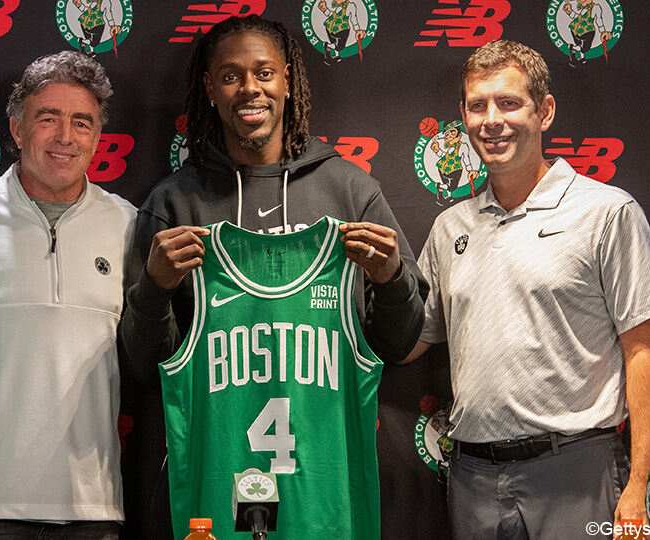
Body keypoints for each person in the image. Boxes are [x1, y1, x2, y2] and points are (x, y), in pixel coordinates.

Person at [118, 14, 427, 537]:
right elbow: (145, 365)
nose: (249, 89)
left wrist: (392, 278)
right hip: (215, 495)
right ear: (210, 88)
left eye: (264, 72)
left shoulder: (351, 193)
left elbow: (398, 344)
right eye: (231, 75)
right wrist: (154, 290)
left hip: (324, 501)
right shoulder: (173, 203)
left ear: (288, 80)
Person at [404, 39, 650, 538]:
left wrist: (642, 483)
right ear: (463, 115)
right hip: (471, 478)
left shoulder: (606, 212)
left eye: (509, 103)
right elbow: (412, 340)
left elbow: (645, 351)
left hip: (577, 471)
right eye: (478, 105)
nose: (492, 119)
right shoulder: (448, 228)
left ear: (544, 111)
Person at [0, 51, 134, 540]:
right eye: (48, 119)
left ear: (97, 139)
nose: (65, 136)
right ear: (17, 130)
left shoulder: (128, 223)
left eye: (81, 123)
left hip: (91, 510)